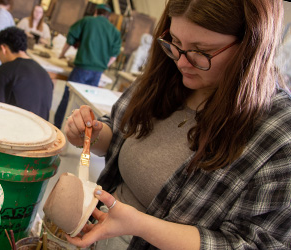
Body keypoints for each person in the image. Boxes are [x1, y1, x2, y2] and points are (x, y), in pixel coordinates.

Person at [62, 0, 291, 249]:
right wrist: (92, 135)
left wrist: (140, 225)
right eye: (175, 43)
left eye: (201, 51)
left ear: (250, 46)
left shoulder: (278, 136)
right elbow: (119, 133)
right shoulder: (164, 77)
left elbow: (254, 244)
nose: (182, 62)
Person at [53, 4, 121, 129]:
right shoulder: (114, 31)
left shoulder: (87, 21)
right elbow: (114, 55)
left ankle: (57, 127)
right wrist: (103, 66)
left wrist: (61, 54)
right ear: (108, 16)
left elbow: (70, 38)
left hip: (81, 69)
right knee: (85, 104)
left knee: (68, 97)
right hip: (97, 73)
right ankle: (79, 132)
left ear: (95, 12)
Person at [0, 27, 53, 121]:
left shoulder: (3, 72)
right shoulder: (44, 74)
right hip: (42, 131)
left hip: (14, 132)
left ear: (3, 48)